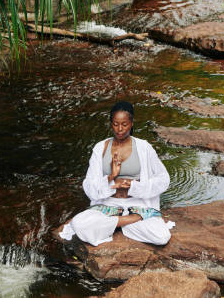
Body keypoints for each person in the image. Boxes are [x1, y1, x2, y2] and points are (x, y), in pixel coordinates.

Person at [58, 101, 174, 246]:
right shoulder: (100, 148)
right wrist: (111, 178)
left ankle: (110, 225)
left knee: (161, 237)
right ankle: (128, 221)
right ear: (110, 123)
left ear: (131, 123)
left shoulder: (144, 148)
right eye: (115, 124)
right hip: (108, 205)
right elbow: (89, 186)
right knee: (78, 224)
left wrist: (133, 186)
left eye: (124, 124)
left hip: (137, 204)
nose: (119, 129)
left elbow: (163, 179)